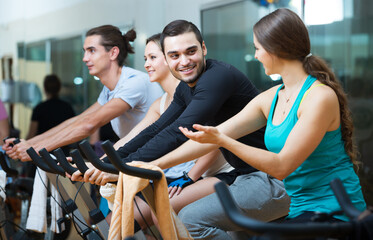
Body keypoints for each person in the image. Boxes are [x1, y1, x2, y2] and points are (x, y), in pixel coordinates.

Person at [157, 8, 366, 237]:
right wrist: (153, 165)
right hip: (301, 209)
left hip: (336, 210)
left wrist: (224, 141)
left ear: (277, 49)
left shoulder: (319, 97)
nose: (255, 55)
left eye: (258, 48)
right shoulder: (272, 97)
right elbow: (210, 138)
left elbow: (281, 166)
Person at [78, 20, 290, 237]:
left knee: (188, 220)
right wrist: (105, 163)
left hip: (268, 177)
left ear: (204, 48)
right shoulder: (185, 89)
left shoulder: (217, 78)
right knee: (172, 215)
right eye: (175, 55)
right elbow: (156, 129)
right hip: (245, 174)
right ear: (168, 59)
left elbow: (177, 132)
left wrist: (122, 166)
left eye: (191, 52)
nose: (184, 61)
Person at [72, 33, 234, 230]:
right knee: (113, 224)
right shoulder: (162, 103)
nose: (147, 64)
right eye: (145, 59)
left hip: (203, 175)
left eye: (153, 58)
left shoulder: (197, 96)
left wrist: (188, 177)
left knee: (159, 214)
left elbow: (212, 143)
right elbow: (137, 138)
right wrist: (99, 163)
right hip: (171, 175)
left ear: (168, 58)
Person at [3, 25, 163, 161]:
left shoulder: (133, 83)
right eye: (85, 51)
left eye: (92, 51)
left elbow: (89, 125)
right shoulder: (110, 88)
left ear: (113, 53)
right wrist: (28, 144)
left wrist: (35, 150)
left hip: (163, 164)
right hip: (141, 159)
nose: (85, 58)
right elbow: (79, 120)